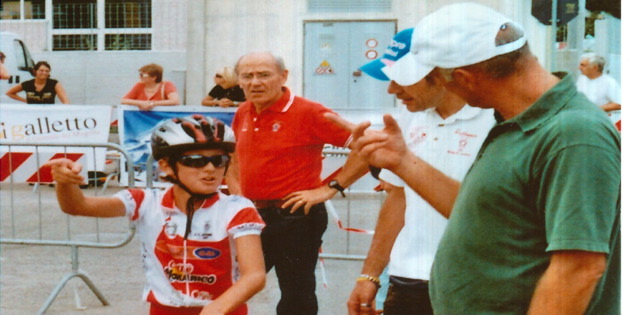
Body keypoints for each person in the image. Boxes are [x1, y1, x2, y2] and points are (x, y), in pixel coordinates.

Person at [333, 3, 620, 314]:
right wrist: (403, 162)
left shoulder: (573, 134)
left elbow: (578, 270)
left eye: (441, 80)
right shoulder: (516, 122)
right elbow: (483, 213)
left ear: (464, 78)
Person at [45, 115, 266, 315]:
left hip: (224, 308)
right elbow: (78, 206)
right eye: (196, 161)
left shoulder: (237, 208)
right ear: (166, 166)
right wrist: (65, 184)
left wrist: (216, 309)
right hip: (164, 309)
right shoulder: (146, 201)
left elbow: (254, 275)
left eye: (219, 161)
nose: (210, 169)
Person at [340, 29, 494, 315]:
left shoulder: (495, 119)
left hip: (475, 282)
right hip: (408, 278)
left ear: (442, 74)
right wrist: (370, 275)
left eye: (403, 78)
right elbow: (398, 200)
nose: (392, 89)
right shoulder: (409, 118)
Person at [230, 51, 352, 315]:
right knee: (232, 286)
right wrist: (237, 198)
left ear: (283, 76)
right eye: (247, 76)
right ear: (238, 81)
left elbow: (367, 146)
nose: (255, 82)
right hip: (252, 215)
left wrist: (330, 188)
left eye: (264, 75)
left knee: (296, 294)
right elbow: (235, 159)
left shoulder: (310, 112)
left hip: (296, 216)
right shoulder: (243, 110)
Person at [576, 53, 621, 121]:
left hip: (600, 121)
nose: (579, 68)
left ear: (594, 68)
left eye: (583, 65)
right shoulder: (582, 79)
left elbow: (619, 104)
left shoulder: (609, 82)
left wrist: (594, 108)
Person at [5, 61, 70, 104]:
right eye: (41, 70)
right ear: (35, 71)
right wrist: (25, 100)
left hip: (48, 114)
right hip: (31, 113)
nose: (44, 73)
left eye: (47, 71)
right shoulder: (27, 84)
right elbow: (9, 93)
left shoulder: (54, 84)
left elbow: (65, 101)